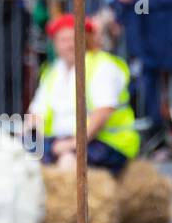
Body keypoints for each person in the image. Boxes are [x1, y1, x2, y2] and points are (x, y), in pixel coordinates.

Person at [27, 14, 138, 176]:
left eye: (73, 38)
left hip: (105, 142)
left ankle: (68, 199)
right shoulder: (53, 72)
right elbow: (36, 114)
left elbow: (102, 113)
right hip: (60, 139)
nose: (68, 45)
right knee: (18, 155)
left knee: (68, 161)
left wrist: (73, 144)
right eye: (62, 40)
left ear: (85, 39)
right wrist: (25, 137)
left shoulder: (103, 66)